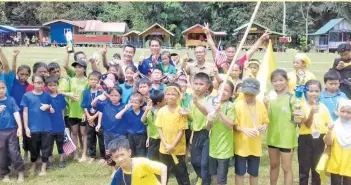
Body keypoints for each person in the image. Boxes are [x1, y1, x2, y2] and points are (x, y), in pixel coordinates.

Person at [233, 78, 269, 185]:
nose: (249, 97)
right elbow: (234, 125)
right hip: (241, 146)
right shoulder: (238, 105)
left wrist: (264, 126)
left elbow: (265, 120)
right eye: (246, 94)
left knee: (254, 173)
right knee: (240, 172)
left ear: (257, 93)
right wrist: (243, 129)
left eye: (252, 94)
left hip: (255, 146)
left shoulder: (260, 105)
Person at [264, 69, 296, 185]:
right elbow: (264, 117)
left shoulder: (292, 98)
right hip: (272, 137)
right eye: (275, 81)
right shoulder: (269, 98)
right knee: (273, 165)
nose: (278, 83)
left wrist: (300, 115)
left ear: (286, 81)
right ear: (271, 83)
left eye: (281, 80)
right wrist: (265, 104)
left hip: (286, 139)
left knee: (286, 168)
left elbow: (297, 119)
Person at [298, 80, 333, 185]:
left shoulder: (323, 107)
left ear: (320, 92)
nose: (314, 93)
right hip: (305, 139)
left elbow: (328, 122)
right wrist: (312, 112)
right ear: (306, 92)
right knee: (304, 169)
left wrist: (330, 127)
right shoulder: (301, 106)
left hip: (320, 139)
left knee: (317, 168)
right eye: (311, 91)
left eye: (317, 91)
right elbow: (307, 125)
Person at [156, 83, 191, 185]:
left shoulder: (181, 111)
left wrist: (172, 145)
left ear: (179, 96)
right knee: (163, 172)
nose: (170, 96)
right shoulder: (161, 111)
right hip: (164, 149)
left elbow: (181, 130)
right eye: (168, 94)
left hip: (178, 150)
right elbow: (159, 128)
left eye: (173, 94)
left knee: (181, 174)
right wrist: (166, 144)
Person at [203, 23, 269, 74]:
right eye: (229, 52)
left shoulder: (240, 62)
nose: (231, 54)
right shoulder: (220, 60)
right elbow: (212, 46)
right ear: (225, 52)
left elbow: (252, 50)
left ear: (236, 53)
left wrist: (261, 39)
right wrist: (208, 34)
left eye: (233, 52)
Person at [21, 74, 54, 176]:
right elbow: (25, 112)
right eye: (37, 82)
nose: (40, 85)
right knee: (33, 148)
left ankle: (43, 167)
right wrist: (26, 127)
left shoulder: (47, 95)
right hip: (33, 128)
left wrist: (48, 106)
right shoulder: (27, 96)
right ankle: (34, 165)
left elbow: (52, 110)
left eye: (42, 83)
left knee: (45, 148)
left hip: (46, 127)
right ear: (33, 83)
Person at [92, 85, 127, 176]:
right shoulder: (105, 104)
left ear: (121, 96)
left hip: (120, 134)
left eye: (116, 95)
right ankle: (113, 169)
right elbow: (93, 105)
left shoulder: (124, 107)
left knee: (120, 152)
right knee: (109, 152)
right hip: (107, 132)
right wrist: (97, 98)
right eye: (112, 95)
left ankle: (122, 168)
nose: (114, 97)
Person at [206, 80, 236, 185]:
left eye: (226, 90)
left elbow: (230, 126)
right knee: (214, 174)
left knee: (221, 178)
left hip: (224, 149)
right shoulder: (213, 104)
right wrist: (209, 119)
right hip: (213, 148)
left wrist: (220, 112)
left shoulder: (230, 106)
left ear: (231, 94)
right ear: (217, 90)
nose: (223, 92)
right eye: (221, 89)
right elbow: (208, 127)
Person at [184, 72, 212, 185]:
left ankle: (205, 181)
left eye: (201, 84)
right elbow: (193, 120)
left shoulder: (209, 100)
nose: (197, 86)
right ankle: (203, 177)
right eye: (195, 83)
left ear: (207, 87)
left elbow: (207, 113)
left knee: (204, 162)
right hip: (195, 134)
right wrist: (185, 114)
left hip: (207, 133)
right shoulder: (191, 101)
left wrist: (197, 104)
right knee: (195, 161)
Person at [0, 80, 25, 183]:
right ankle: (5, 174)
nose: (1, 90)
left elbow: (16, 113)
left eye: (3, 88)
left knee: (14, 152)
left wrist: (19, 126)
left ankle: (21, 173)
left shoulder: (11, 100)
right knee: (1, 154)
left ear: (6, 89)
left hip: (11, 131)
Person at [66, 59, 89, 162]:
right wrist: (69, 94)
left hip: (82, 112)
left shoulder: (88, 81)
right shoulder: (71, 80)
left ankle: (84, 154)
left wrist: (85, 112)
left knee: (84, 133)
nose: (77, 69)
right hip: (73, 111)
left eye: (80, 67)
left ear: (84, 69)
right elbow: (64, 92)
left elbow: (88, 97)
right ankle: (75, 153)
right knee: (74, 132)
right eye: (76, 67)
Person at [325, 99, 351, 185]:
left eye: (349, 112)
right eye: (342, 111)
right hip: (336, 161)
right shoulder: (334, 126)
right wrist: (329, 131)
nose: (345, 114)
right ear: (338, 112)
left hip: (349, 162)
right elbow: (328, 142)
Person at [81, 71, 105, 164]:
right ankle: (92, 155)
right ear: (88, 81)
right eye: (91, 79)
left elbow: (102, 107)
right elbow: (84, 106)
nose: (93, 81)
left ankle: (103, 156)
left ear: (99, 81)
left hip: (99, 117)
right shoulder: (85, 92)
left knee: (101, 136)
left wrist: (94, 116)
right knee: (90, 137)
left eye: (95, 80)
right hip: (89, 117)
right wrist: (88, 117)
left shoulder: (101, 93)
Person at [116, 92, 146, 157]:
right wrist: (125, 108)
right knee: (131, 152)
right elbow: (117, 117)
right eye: (131, 102)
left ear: (141, 103)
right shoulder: (128, 112)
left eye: (136, 102)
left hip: (141, 136)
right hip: (130, 136)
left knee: (141, 153)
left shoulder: (143, 113)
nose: (133, 104)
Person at [46, 76, 66, 168]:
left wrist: (63, 122)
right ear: (47, 86)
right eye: (50, 85)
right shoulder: (45, 97)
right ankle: (49, 160)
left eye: (54, 85)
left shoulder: (61, 97)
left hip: (59, 124)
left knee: (60, 143)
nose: (52, 87)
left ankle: (62, 159)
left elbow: (62, 110)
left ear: (57, 86)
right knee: (49, 144)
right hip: (49, 125)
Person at [141, 90, 165, 161]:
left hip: (161, 138)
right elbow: (144, 122)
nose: (166, 100)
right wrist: (148, 138)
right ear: (158, 103)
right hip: (155, 139)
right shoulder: (152, 111)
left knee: (160, 159)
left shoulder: (164, 110)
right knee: (155, 159)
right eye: (164, 99)